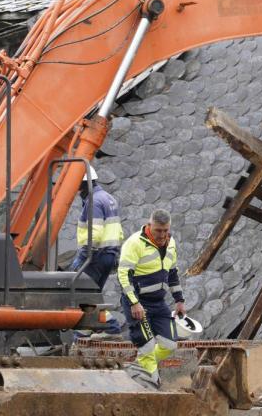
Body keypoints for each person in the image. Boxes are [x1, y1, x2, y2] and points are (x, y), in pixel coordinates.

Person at [118, 209, 186, 388]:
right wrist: (134, 303)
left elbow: (173, 273)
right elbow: (123, 275)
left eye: (165, 230)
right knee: (147, 348)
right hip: (138, 303)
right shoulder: (134, 243)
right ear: (149, 226)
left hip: (158, 303)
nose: (162, 235)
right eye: (158, 230)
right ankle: (152, 386)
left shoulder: (171, 243)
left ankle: (139, 366)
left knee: (170, 345)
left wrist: (179, 300)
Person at [71, 165, 124, 336]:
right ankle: (86, 331)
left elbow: (95, 232)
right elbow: (118, 231)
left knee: (82, 297)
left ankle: (111, 328)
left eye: (77, 184)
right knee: (91, 297)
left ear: (83, 183)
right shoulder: (108, 198)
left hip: (95, 256)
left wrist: (83, 257)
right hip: (108, 255)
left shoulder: (93, 201)